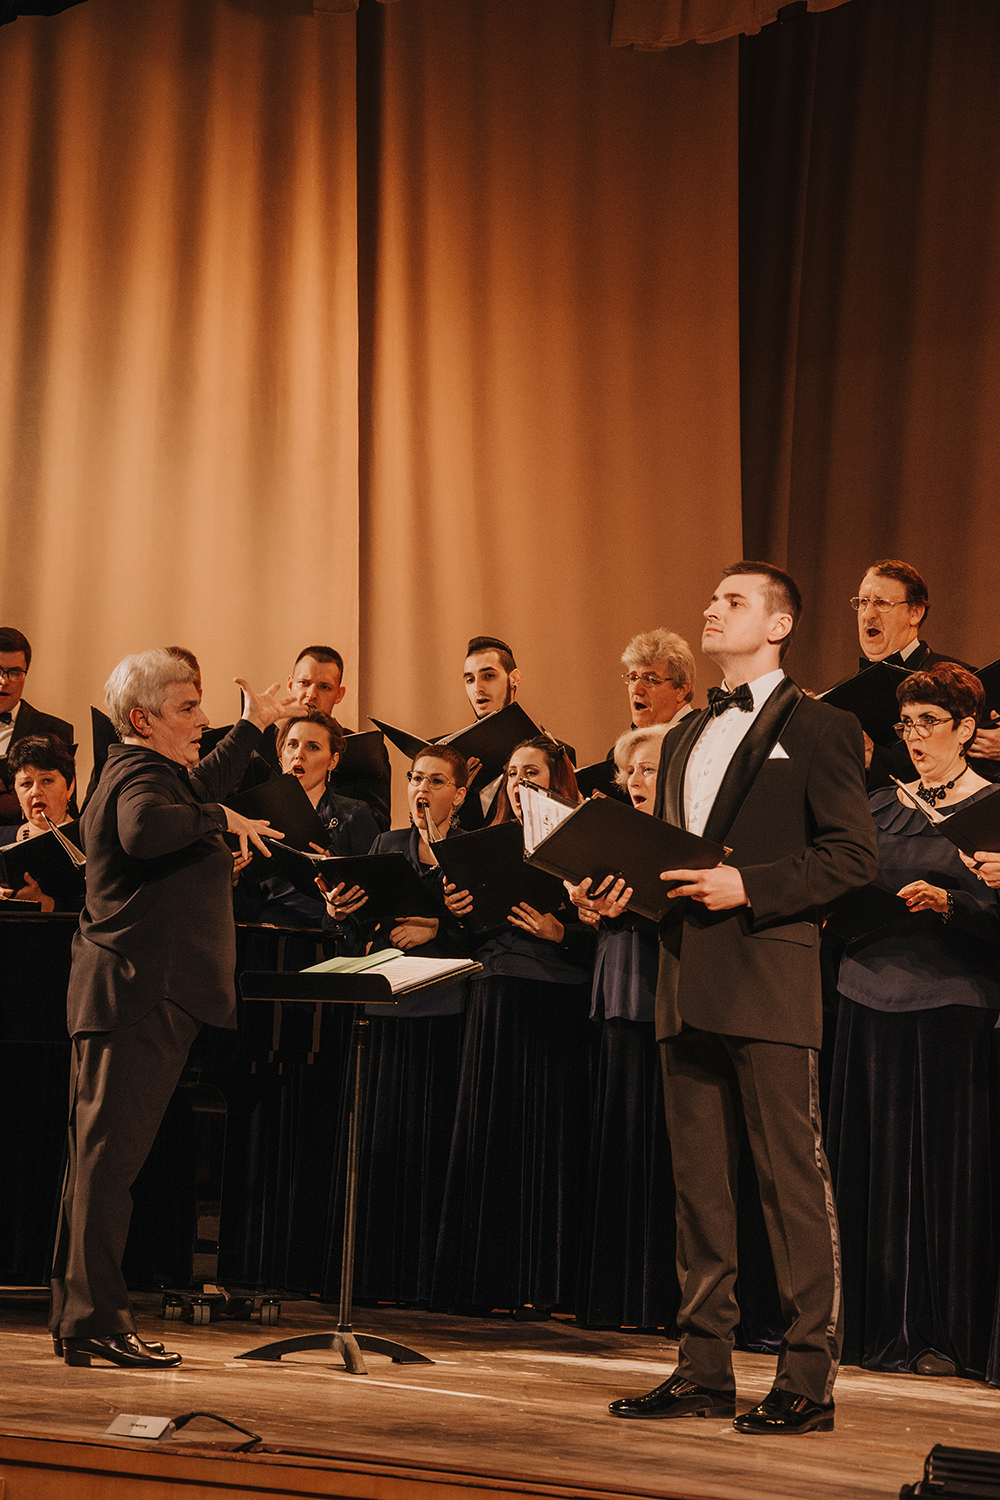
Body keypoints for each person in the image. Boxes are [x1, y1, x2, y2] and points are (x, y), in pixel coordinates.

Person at [605, 562, 877, 1435]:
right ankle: (702, 1369)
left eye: (733, 601)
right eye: (713, 598)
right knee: (701, 1190)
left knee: (790, 1184)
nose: (712, 609)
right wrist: (615, 890)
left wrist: (749, 885)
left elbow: (853, 856)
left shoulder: (824, 726)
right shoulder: (686, 732)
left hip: (767, 977)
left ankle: (807, 1380)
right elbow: (671, 862)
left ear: (779, 624)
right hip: (684, 976)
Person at [48, 649, 294, 1369]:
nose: (201, 719)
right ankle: (95, 1320)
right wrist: (218, 815)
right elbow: (146, 829)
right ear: (141, 718)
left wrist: (252, 728)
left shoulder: (146, 770)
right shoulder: (138, 776)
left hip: (129, 991)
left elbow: (191, 789)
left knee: (97, 1165)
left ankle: (80, 1318)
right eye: (187, 708)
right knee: (107, 1168)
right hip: (140, 993)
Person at [827, 664, 1000, 1381]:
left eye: (930, 722)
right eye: (907, 724)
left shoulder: (993, 808)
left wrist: (955, 905)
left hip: (953, 1008)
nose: (916, 736)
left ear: (967, 728)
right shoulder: (874, 806)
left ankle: (942, 1331)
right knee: (873, 1171)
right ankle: (870, 1327)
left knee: (945, 1180)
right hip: (866, 1000)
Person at [432, 737, 596, 1316]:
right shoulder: (489, 840)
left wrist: (561, 931)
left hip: (556, 997)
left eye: (532, 773)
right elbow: (469, 930)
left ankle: (544, 1284)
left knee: (548, 1140)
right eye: (511, 772)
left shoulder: (582, 841)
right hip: (495, 989)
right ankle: (486, 1281)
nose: (519, 782)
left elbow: (607, 932)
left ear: (556, 781)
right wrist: (457, 912)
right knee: (492, 1137)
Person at [320, 745, 475, 1305]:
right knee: (381, 1143)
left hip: (444, 1007)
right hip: (387, 1003)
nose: (421, 789)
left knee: (431, 1144)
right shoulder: (387, 845)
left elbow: (489, 931)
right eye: (414, 778)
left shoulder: (469, 850)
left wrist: (439, 928)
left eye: (435, 781)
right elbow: (361, 924)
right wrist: (340, 912)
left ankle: (424, 1281)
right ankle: (374, 1276)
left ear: (460, 793)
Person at [571, 726, 679, 1330]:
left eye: (650, 768)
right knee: (620, 1151)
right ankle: (617, 1297)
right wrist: (584, 902)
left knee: (665, 1155)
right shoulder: (609, 833)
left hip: (669, 1001)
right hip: (617, 995)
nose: (637, 780)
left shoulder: (685, 836)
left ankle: (661, 1298)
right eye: (630, 771)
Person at [235, 711, 377, 932]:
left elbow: (373, 903)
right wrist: (232, 879)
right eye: (292, 745)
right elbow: (243, 907)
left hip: (325, 937)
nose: (299, 754)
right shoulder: (254, 819)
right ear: (280, 757)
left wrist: (334, 876)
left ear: (332, 761)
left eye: (313, 747)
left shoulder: (353, 814)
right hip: (263, 936)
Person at [252, 646, 391, 830]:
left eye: (324, 687)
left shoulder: (365, 750)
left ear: (339, 694)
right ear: (290, 685)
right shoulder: (260, 742)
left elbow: (379, 826)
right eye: (304, 683)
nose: (311, 695)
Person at [0, 627, 74, 823]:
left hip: (27, 838)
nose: (4, 681)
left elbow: (67, 807)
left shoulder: (55, 730)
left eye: (15, 672)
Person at [0, 735, 80, 912]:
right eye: (26, 783)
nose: (35, 792)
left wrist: (47, 904)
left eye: (47, 780)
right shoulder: (2, 839)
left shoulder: (89, 840)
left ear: (70, 786)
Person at [620, 630, 696, 731]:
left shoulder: (702, 736)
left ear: (681, 690)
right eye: (633, 678)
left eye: (650, 680)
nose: (636, 690)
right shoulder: (636, 739)